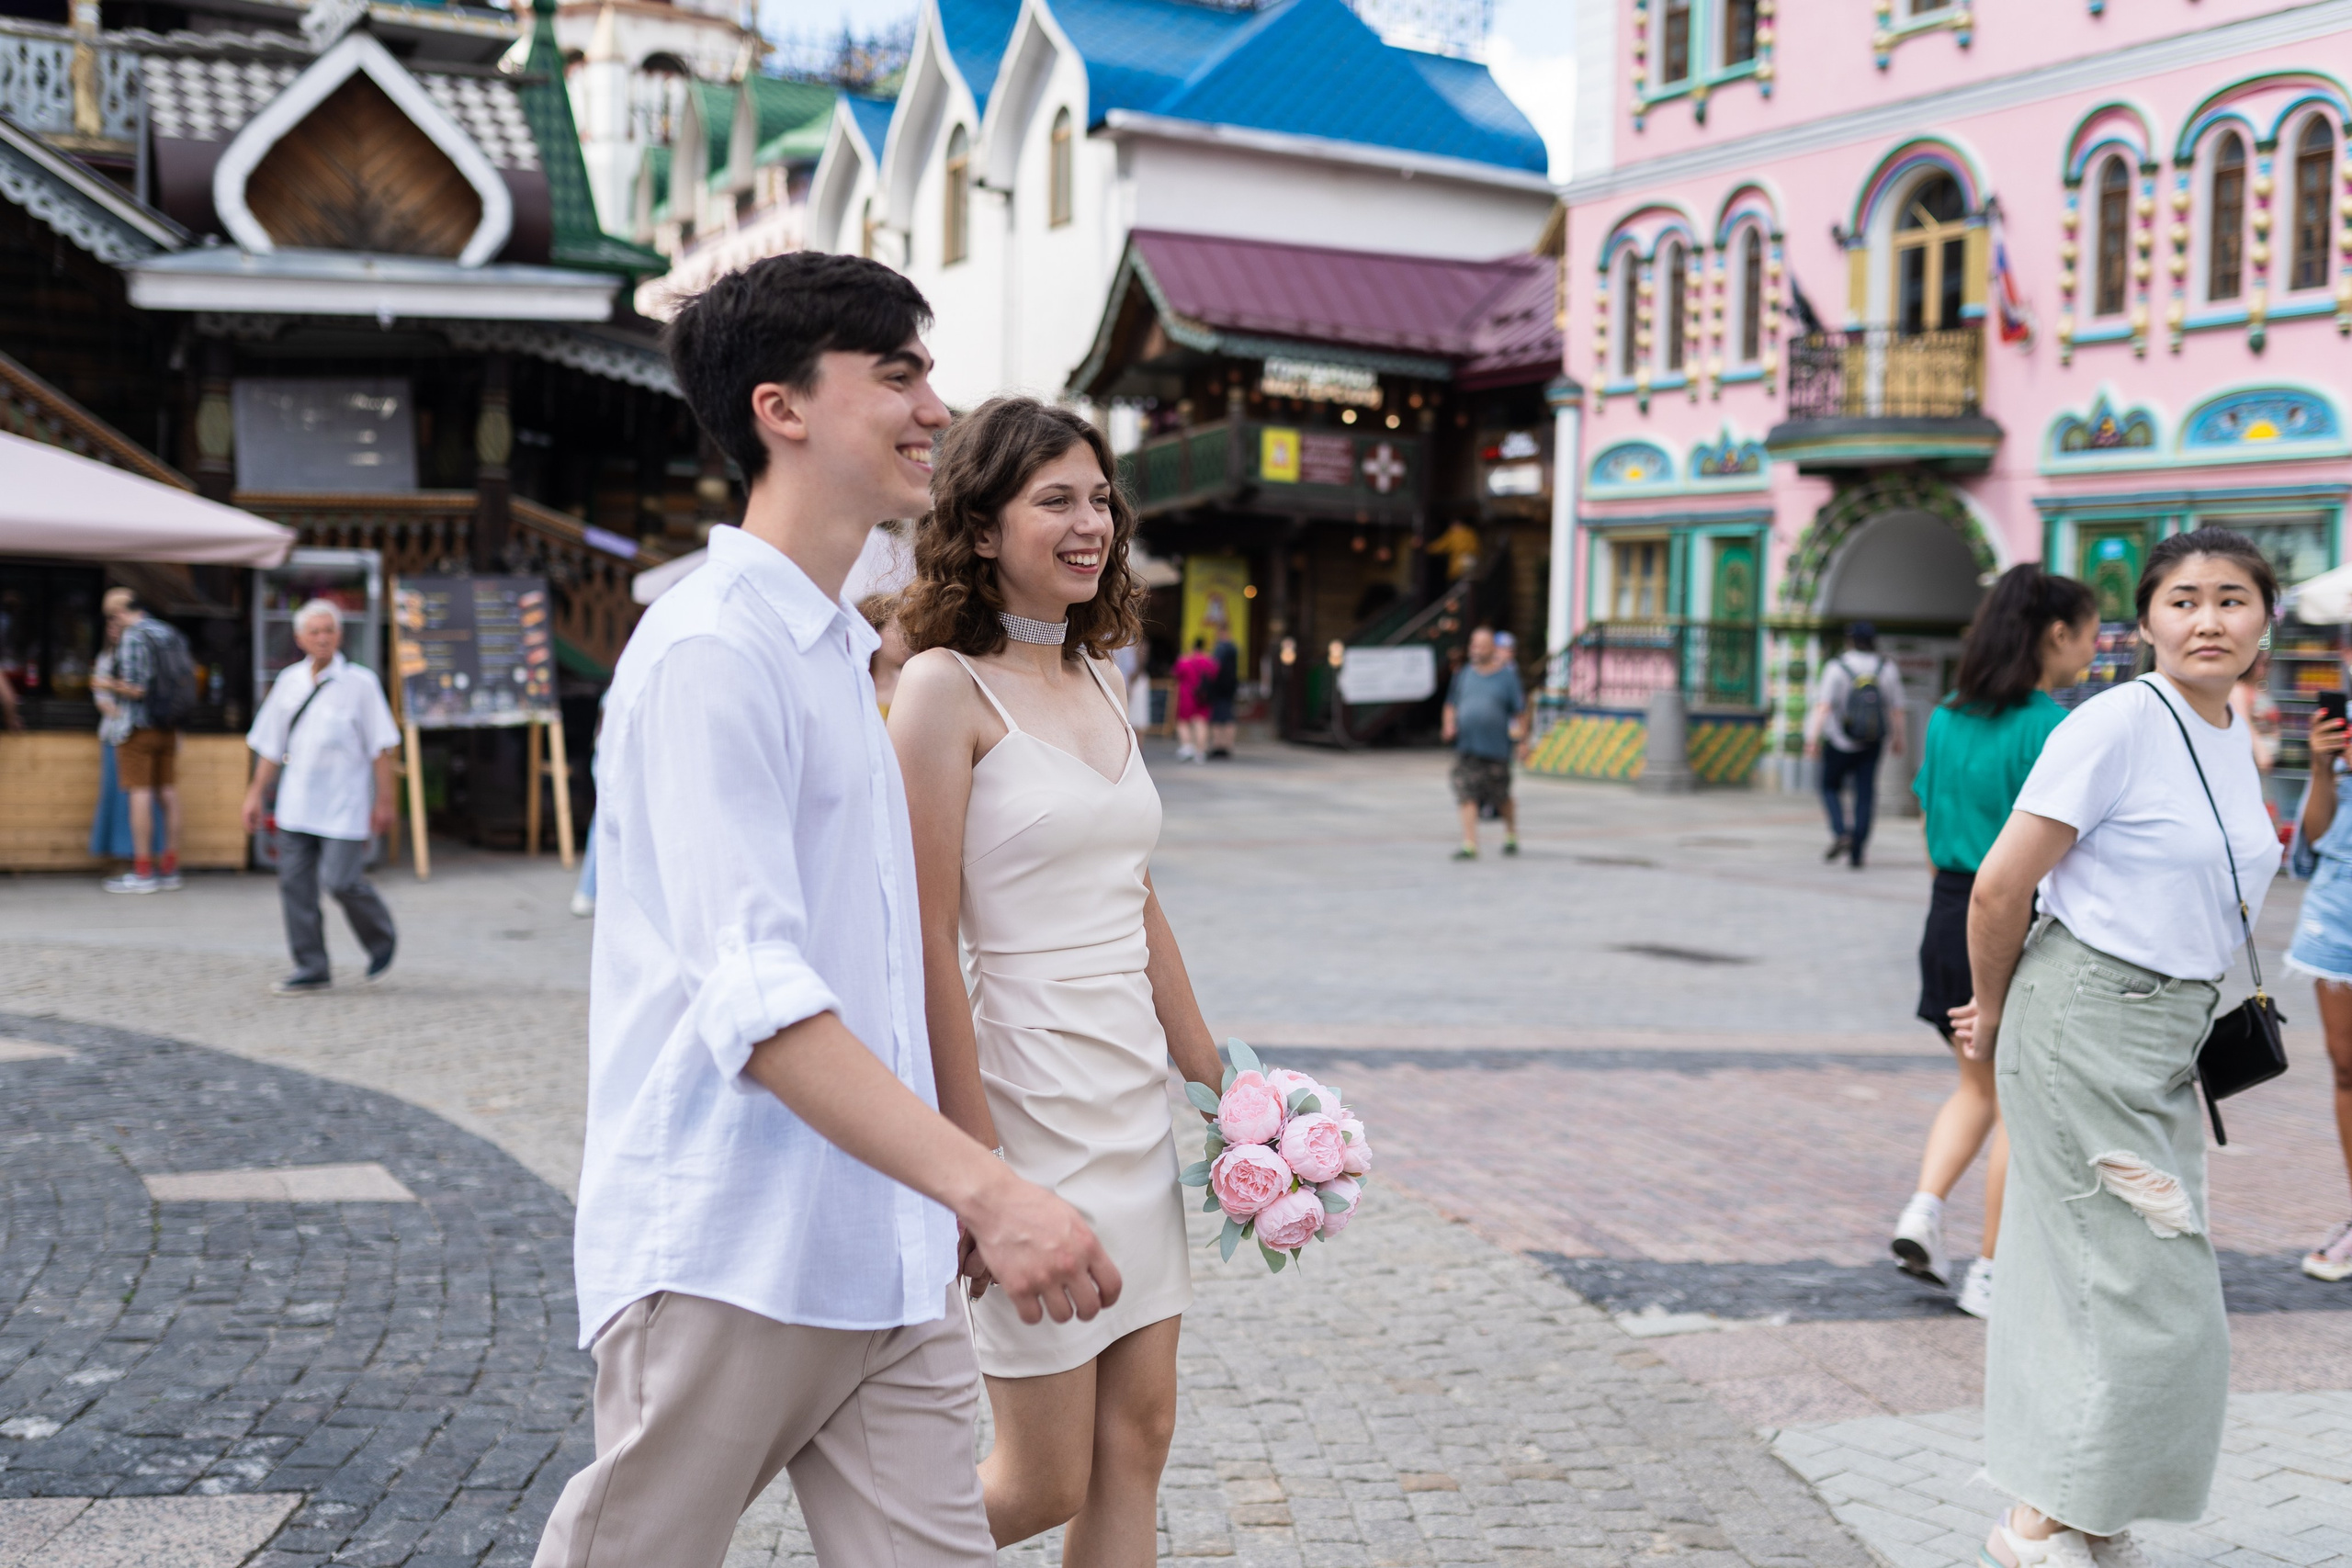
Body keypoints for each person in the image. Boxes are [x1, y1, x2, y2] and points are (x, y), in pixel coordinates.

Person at [532, 253, 1119, 1568]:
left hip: (885, 1251)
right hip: (729, 1246)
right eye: (899, 373)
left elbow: (888, 966)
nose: (933, 407)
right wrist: (992, 1183)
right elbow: (757, 997)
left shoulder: (844, 654)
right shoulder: (708, 652)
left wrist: (961, 1188)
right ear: (780, 409)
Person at [890, 394, 1227, 1565]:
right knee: (1039, 1480)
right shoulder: (939, 690)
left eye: (1100, 499)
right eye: (1056, 502)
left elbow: (1134, 893)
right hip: (1025, 1100)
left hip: (1129, 1101)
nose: (1091, 523)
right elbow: (925, 934)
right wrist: (972, 1164)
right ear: (982, 529)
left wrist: (1221, 1087)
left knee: (1140, 1437)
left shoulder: (1103, 678)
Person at [1952, 527, 2279, 1568]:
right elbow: (2001, 885)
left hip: (2168, 1037)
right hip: (2081, 1021)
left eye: (2231, 599)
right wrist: (1992, 1012)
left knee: (2097, 1279)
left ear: (2264, 621)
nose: (2207, 620)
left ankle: (2085, 1510)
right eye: (2182, 601)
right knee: (2146, 1291)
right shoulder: (2113, 726)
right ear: (2144, 624)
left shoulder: (2230, 731)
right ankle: (2035, 1523)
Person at [1894, 566, 2098, 1319]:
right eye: (2088, 630)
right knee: (2016, 1104)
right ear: (2055, 633)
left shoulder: (1946, 717)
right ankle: (1989, 1268)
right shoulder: (2052, 726)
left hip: (1947, 911)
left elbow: (1926, 822)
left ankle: (1922, 1208)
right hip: (2013, 918)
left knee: (1974, 1086)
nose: (2092, 645)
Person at [241, 601, 401, 996]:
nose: (323, 637)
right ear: (300, 639)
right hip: (296, 803)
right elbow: (270, 746)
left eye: (329, 630)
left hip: (344, 803)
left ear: (340, 635)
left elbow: (382, 747)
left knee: (342, 880)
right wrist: (255, 795)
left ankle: (382, 936)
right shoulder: (289, 682)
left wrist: (385, 801)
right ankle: (311, 965)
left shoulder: (360, 683)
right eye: (315, 631)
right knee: (295, 886)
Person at [2283, 681, 2352, 1283]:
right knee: (2347, 1068)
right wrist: (2323, 767)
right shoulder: (2342, 737)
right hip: (2338, 926)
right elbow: (2310, 850)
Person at [93, 588, 188, 892]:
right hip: (169, 726)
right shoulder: (168, 632)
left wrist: (104, 682)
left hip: (138, 727)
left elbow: (137, 688)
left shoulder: (134, 636)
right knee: (168, 793)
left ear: (122, 613)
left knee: (141, 794)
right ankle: (170, 868)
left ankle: (143, 870)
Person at [1805, 622, 1906, 869]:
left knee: (1829, 786)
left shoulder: (1836, 667)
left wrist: (1811, 739)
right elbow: (1896, 709)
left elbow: (1824, 706)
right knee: (1865, 794)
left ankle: (1841, 832)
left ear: (1849, 640)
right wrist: (1898, 738)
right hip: (1871, 741)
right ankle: (1857, 851)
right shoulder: (1887, 667)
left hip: (1838, 740)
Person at [1443, 626, 1525, 861]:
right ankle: (1470, 843)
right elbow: (1451, 704)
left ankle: (1510, 833)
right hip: (1467, 746)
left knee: (1501, 796)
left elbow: (1519, 713)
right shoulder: (1464, 674)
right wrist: (1449, 724)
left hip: (1496, 748)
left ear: (1492, 649)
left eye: (1480, 645)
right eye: (1473, 645)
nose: (1475, 650)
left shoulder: (1507, 677)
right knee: (1465, 793)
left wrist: (1522, 742)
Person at [860, 590, 913, 715]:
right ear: (873, 631)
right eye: (899, 629)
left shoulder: (909, 686)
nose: (908, 638)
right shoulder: (850, 682)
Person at [1171, 637, 1216, 763]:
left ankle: (1187, 746)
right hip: (1204, 695)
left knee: (1182, 722)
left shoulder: (1185, 660)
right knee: (1201, 723)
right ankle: (1200, 752)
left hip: (1187, 694)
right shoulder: (1209, 661)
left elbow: (1176, 673)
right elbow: (1215, 674)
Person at [1206, 633, 1239, 758]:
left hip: (1219, 688)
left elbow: (1214, 668)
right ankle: (1227, 746)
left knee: (1217, 718)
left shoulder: (1220, 649)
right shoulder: (1234, 649)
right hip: (1230, 687)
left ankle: (1218, 745)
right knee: (1229, 717)